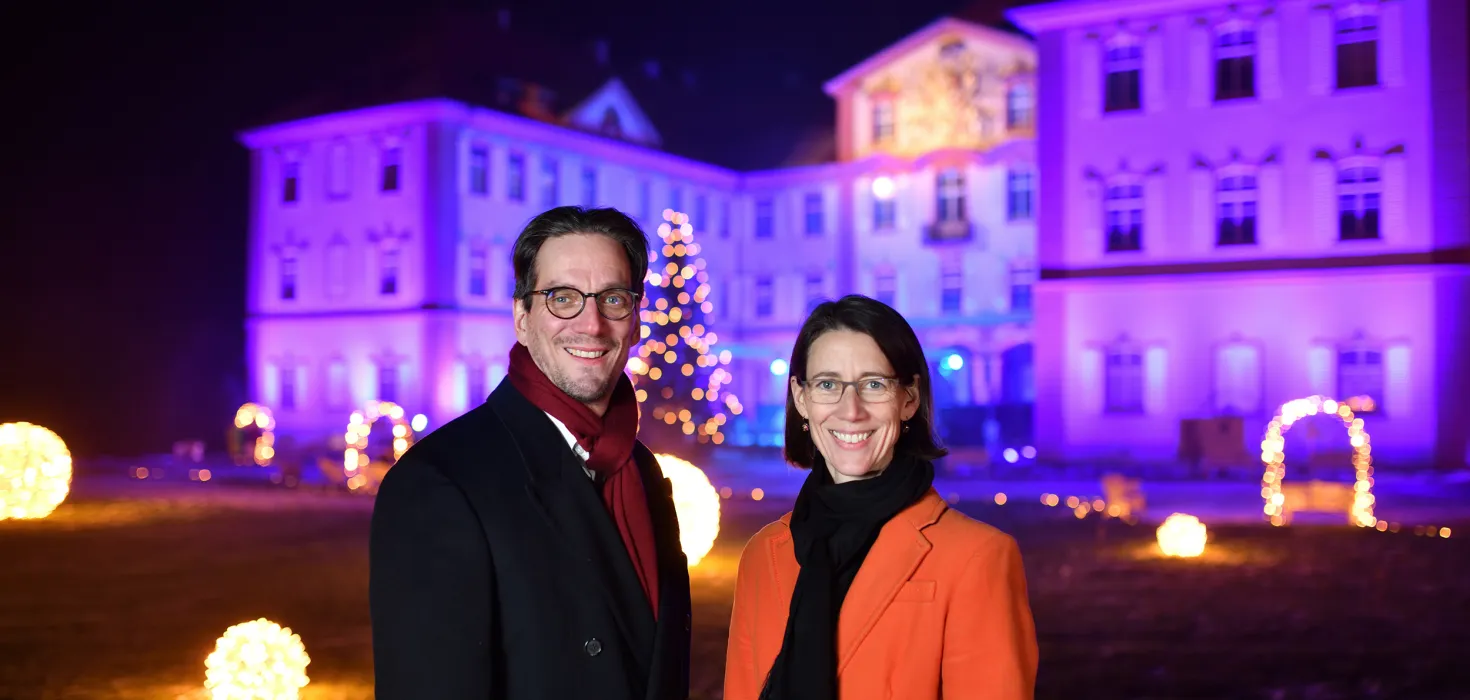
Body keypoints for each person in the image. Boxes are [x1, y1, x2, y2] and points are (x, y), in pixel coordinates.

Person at [370, 206, 691, 699]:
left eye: (613, 298)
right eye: (563, 298)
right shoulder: (439, 483)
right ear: (522, 317)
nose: (592, 324)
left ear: (636, 319)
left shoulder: (644, 471)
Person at [723, 295, 1038, 700]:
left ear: (909, 399)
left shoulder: (978, 557)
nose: (850, 410)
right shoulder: (762, 555)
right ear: (801, 399)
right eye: (827, 384)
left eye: (874, 384)